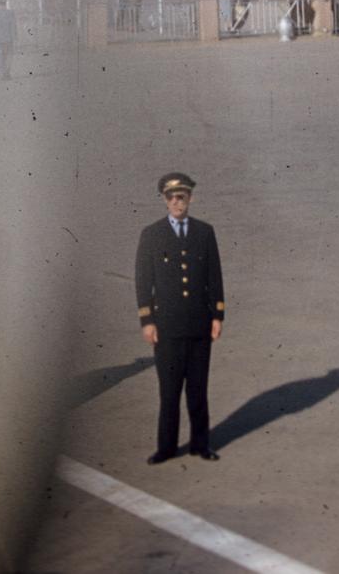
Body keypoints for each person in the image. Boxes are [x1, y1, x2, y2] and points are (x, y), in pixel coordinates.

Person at [135, 173, 225, 464]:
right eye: (172, 198)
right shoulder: (152, 235)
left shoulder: (204, 232)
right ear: (165, 200)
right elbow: (142, 280)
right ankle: (167, 447)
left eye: (182, 197)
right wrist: (147, 321)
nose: (177, 202)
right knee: (170, 392)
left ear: (190, 199)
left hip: (199, 325)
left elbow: (214, 276)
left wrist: (218, 315)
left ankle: (201, 445)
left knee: (198, 391)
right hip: (168, 328)